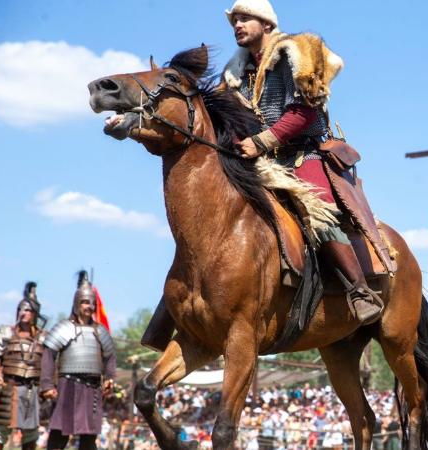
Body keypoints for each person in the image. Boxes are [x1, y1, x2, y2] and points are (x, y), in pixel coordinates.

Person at [139, 0, 383, 351]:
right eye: (234, 20)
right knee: (208, 225)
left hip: (303, 154)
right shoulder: (235, 73)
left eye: (244, 18)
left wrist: (262, 141)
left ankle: (359, 290)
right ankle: (175, 311)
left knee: (319, 211)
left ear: (266, 23)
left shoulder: (296, 53)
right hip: (259, 160)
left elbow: (304, 111)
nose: (237, 25)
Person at [40, 271, 116, 450]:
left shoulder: (100, 331)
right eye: (84, 302)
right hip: (68, 386)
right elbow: (48, 355)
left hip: (93, 389)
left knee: (89, 439)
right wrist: (46, 385)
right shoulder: (63, 327)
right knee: (59, 435)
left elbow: (110, 356)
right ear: (76, 304)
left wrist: (110, 378)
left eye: (91, 302)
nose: (89, 306)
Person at [0, 282, 44, 450]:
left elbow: (50, 363)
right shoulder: (7, 334)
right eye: (21, 309)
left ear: (35, 313)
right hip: (9, 388)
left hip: (31, 391)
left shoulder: (43, 339)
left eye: (27, 310)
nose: (23, 313)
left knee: (30, 436)